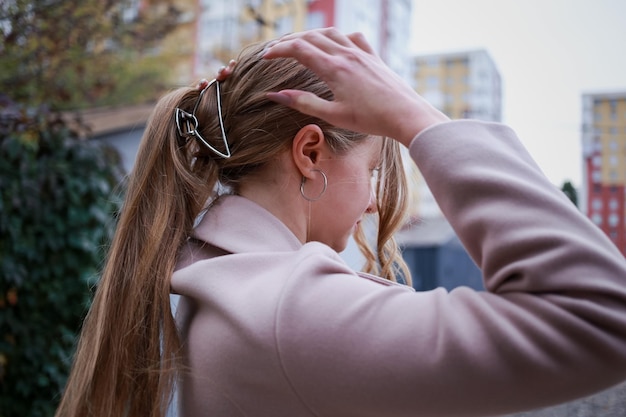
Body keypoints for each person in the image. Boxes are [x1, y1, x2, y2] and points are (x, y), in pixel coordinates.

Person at [55, 28, 626, 417]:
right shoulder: (289, 312)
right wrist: (414, 115)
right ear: (309, 154)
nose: (376, 204)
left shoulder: (209, 274)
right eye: (375, 169)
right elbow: (602, 315)